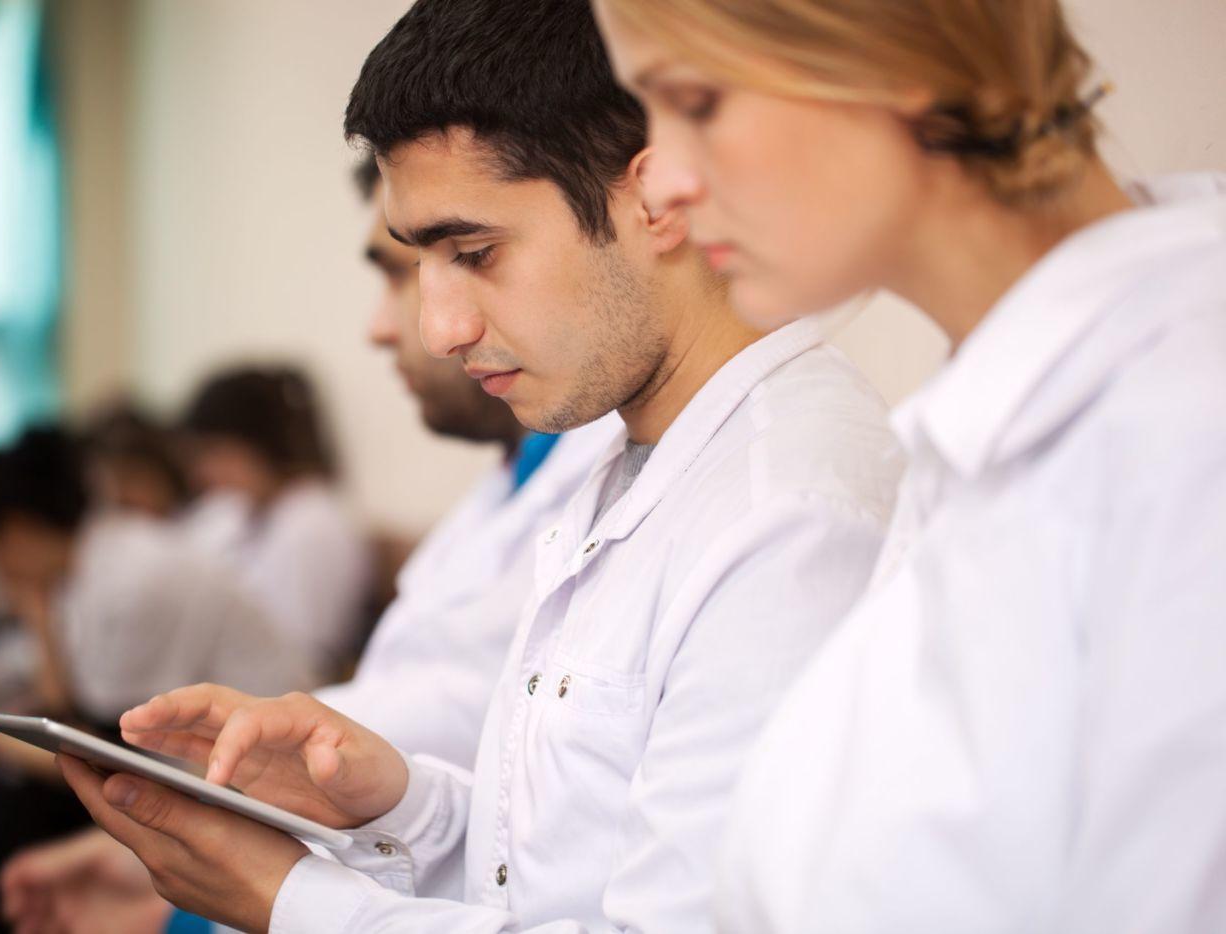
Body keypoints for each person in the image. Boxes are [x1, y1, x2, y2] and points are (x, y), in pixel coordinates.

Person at [53, 1, 904, 930]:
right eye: (422, 263)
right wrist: (396, 805)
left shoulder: (791, 517)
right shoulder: (630, 461)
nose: (438, 328)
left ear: (658, 199)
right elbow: (550, 873)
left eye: (475, 252)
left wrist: (289, 901)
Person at [591, 0, 1226, 930]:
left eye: (698, 100)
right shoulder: (994, 419)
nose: (664, 183)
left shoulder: (1184, 433)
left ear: (895, 50)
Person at [0, 157, 617, 933]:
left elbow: (474, 788)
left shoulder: (640, 500)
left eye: (467, 257)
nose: (400, 326)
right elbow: (443, 806)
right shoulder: (508, 489)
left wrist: (207, 882)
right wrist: (166, 861)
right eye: (408, 272)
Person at [0, 426, 303, 726]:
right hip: (230, 743)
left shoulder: (130, 578)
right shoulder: (96, 560)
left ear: (16, 531)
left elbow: (98, 734)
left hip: (271, 751)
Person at [177, 366, 372, 685]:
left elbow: (303, 655)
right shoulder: (228, 512)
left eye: (214, 452)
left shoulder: (315, 524)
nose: (203, 472)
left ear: (258, 446)